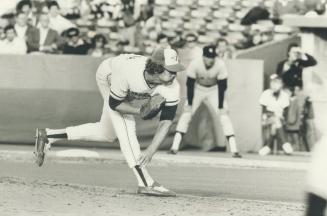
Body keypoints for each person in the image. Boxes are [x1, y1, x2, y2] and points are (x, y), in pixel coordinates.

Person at [34, 47, 185, 197]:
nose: (174, 74)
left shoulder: (172, 87)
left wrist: (151, 150)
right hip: (108, 74)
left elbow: (166, 121)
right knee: (126, 123)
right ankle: (145, 182)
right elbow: (115, 104)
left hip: (126, 85)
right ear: (157, 68)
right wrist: (139, 111)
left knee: (106, 134)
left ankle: (48, 135)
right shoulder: (130, 73)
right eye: (171, 70)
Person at [169, 45, 242, 158]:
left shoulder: (220, 64)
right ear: (203, 57)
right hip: (198, 89)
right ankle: (174, 147)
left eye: (212, 57)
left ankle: (234, 150)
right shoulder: (195, 63)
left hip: (214, 90)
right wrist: (190, 103)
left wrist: (221, 105)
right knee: (186, 114)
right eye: (208, 57)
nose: (210, 60)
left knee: (224, 116)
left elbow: (222, 86)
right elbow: (190, 84)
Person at [277, 43, 317, 150]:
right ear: (288, 52)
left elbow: (313, 62)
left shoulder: (299, 63)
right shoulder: (283, 64)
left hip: (297, 93)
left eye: (296, 52)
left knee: (297, 119)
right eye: (293, 52)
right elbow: (279, 77)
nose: (295, 54)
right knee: (284, 118)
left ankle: (298, 145)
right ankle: (285, 144)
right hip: (285, 93)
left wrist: (303, 53)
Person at [258, 74, 293, 156]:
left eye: (277, 83)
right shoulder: (265, 93)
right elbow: (263, 110)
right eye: (273, 83)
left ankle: (267, 147)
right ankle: (285, 143)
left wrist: (280, 116)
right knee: (276, 120)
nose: (274, 85)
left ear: (281, 85)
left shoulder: (285, 95)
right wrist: (269, 116)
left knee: (276, 122)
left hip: (280, 119)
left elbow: (285, 112)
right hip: (267, 118)